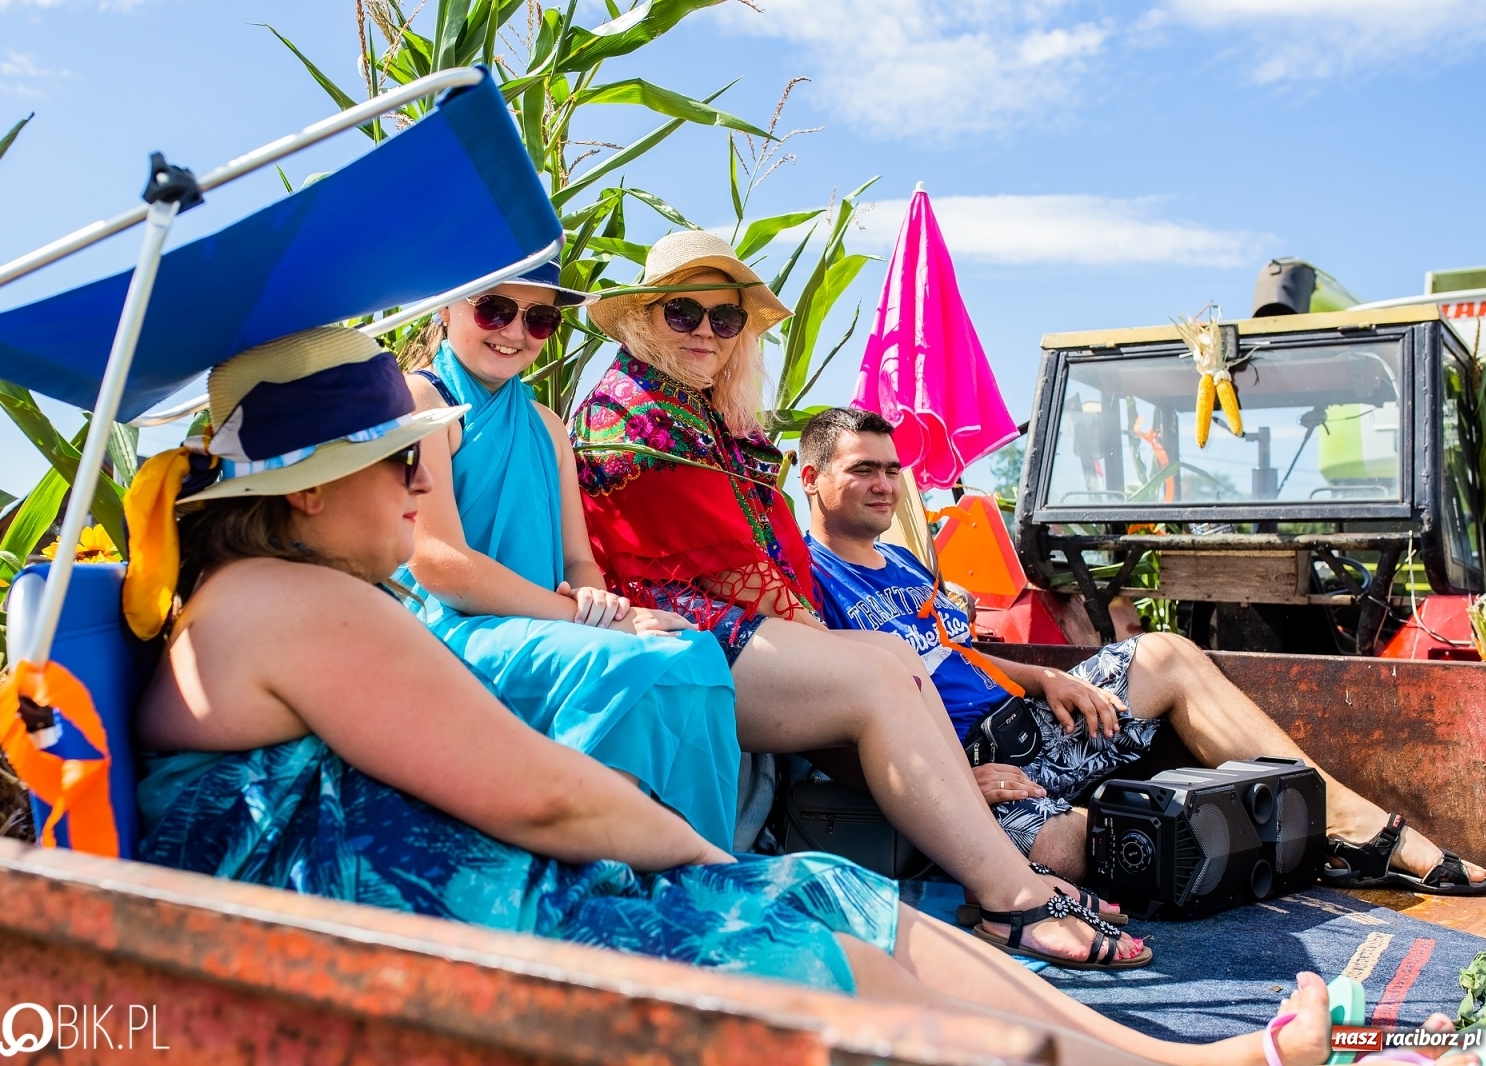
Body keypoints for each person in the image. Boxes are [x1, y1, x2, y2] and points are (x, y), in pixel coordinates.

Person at [125, 326, 1378, 1066]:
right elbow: (549, 803)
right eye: (397, 458)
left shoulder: (266, 600)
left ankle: (1169, 1064)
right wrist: (686, 853)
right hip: (398, 939)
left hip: (398, 912)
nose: (419, 476)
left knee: (826, 892)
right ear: (301, 491)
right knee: (778, 918)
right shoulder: (302, 605)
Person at [571, 232, 1149, 970]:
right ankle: (1013, 901)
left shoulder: (700, 412)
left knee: (887, 652)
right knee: (875, 667)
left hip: (725, 621)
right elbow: (728, 566)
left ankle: (1007, 876)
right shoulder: (632, 410)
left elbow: (755, 562)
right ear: (645, 318)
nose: (707, 333)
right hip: (672, 626)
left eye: (725, 320)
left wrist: (829, 638)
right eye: (684, 314)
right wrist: (821, 636)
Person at [798, 405, 1486, 896]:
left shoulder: (903, 564)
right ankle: (1237, 846)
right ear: (811, 479)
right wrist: (948, 783)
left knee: (1163, 652)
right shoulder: (800, 578)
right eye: (864, 469)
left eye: (891, 469)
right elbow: (828, 722)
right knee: (1090, 851)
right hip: (961, 769)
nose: (886, 484)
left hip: (1032, 729)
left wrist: (1043, 676)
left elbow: (955, 652)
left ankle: (1351, 822)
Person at [391, 259, 740, 851]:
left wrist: (596, 600)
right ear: (447, 308)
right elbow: (438, 562)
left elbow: (577, 560)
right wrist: (582, 618)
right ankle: (596, 853)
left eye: (539, 319)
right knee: (624, 665)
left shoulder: (548, 426)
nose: (514, 332)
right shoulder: (423, 399)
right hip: (448, 629)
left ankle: (689, 861)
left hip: (538, 620)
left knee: (695, 656)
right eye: (495, 310)